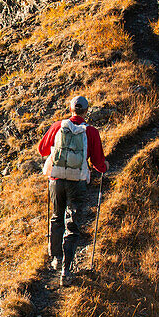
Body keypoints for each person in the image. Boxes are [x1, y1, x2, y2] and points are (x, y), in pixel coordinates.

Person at [37, 95, 107, 286]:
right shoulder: (90, 132)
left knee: (57, 218)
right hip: (77, 182)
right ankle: (66, 271)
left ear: (70, 109)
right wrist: (105, 167)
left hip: (56, 179)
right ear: (86, 111)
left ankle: (56, 258)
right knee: (73, 224)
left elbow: (42, 150)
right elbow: (99, 163)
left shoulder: (58, 126)